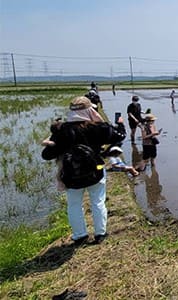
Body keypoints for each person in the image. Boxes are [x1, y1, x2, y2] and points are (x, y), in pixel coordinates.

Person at [41, 96, 126, 245]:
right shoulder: (99, 128)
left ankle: (80, 235)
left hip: (71, 175)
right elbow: (120, 136)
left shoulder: (63, 130)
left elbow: (46, 155)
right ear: (90, 110)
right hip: (96, 171)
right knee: (98, 202)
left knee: (74, 204)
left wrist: (53, 144)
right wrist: (120, 124)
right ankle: (100, 234)